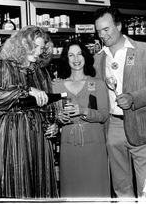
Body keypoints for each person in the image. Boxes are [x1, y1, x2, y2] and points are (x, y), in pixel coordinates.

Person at [93, 7, 146, 198]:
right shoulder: (98, 58)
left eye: (106, 29)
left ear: (119, 25)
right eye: (99, 31)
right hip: (113, 127)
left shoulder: (144, 50)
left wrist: (134, 97)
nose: (102, 35)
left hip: (142, 125)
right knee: (121, 187)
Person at [0, 26, 59, 198]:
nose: (37, 51)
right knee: (17, 182)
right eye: (33, 46)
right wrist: (26, 90)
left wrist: (54, 124)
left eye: (40, 47)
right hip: (14, 132)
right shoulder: (3, 66)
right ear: (21, 45)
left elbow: (49, 103)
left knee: (43, 186)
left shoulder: (42, 72)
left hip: (40, 134)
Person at [52, 40, 110, 198]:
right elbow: (54, 116)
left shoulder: (97, 84)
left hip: (94, 146)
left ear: (85, 56)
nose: (76, 58)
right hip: (69, 147)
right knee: (72, 190)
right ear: (66, 59)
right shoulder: (57, 85)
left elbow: (104, 115)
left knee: (96, 190)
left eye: (79, 54)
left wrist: (83, 111)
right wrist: (59, 118)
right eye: (71, 55)